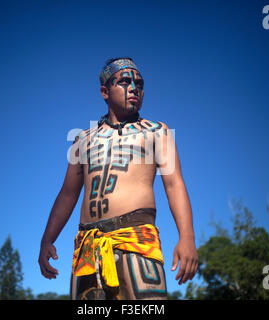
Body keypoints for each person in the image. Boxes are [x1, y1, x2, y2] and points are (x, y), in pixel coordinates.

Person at [38, 57, 198, 300]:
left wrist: (187, 237)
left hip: (136, 240)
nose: (134, 88)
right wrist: (47, 239)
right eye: (125, 82)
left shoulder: (157, 131)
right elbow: (68, 194)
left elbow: (175, 185)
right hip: (88, 247)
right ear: (104, 91)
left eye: (139, 84)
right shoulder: (83, 139)